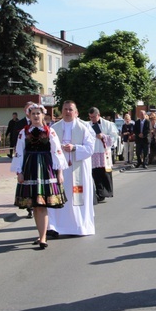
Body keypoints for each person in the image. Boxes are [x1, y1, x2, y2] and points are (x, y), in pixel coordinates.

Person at [11, 103, 68, 249]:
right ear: (29, 115)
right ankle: (41, 234)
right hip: (30, 168)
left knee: (42, 204)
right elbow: (19, 153)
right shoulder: (23, 132)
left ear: (43, 115)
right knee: (36, 205)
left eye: (38, 113)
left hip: (45, 169)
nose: (36, 116)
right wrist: (20, 172)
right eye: (33, 113)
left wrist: (59, 172)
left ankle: (43, 237)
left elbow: (57, 152)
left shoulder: (50, 131)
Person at [50, 100, 97, 236]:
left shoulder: (84, 127)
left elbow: (90, 148)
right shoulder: (54, 128)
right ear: (61, 111)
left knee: (77, 197)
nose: (67, 112)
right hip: (61, 170)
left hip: (79, 170)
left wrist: (74, 147)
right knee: (62, 197)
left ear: (76, 112)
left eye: (70, 109)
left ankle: (80, 226)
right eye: (65, 109)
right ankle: (58, 227)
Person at [88, 107, 119, 202]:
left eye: (93, 117)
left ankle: (106, 192)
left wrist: (103, 136)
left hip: (104, 152)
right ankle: (99, 193)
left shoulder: (108, 124)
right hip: (93, 152)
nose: (92, 119)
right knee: (95, 174)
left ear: (98, 115)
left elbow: (114, 136)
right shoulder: (87, 125)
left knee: (105, 173)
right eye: (90, 117)